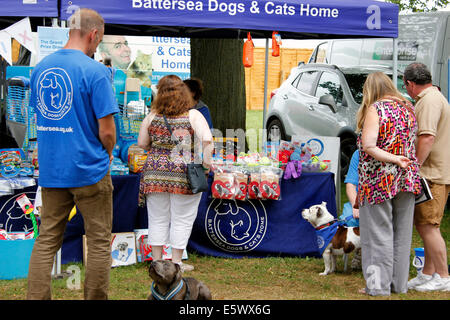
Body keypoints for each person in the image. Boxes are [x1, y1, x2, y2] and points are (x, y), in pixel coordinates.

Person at [27, 8, 118, 300]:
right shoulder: (97, 72)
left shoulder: (40, 69)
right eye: (98, 40)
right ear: (93, 35)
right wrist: (108, 154)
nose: (97, 47)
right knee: (99, 240)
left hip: (53, 169)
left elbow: (41, 118)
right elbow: (107, 132)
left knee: (47, 239)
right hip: (89, 169)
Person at [138, 75, 213, 272]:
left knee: (157, 218)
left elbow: (142, 144)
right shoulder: (193, 116)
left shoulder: (152, 116)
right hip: (184, 172)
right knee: (182, 218)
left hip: (155, 172)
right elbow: (207, 141)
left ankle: (157, 262)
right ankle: (176, 263)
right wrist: (205, 166)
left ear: (159, 94)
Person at [355, 71, 421, 296]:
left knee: (377, 234)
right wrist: (403, 161)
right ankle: (398, 285)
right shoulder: (408, 108)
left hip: (378, 180)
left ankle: (378, 286)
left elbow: (369, 146)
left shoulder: (376, 109)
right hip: (407, 178)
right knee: (402, 235)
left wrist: (394, 159)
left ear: (370, 91)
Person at [403, 62, 450, 292]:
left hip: (432, 173)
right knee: (425, 225)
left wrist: (414, 166)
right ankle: (428, 273)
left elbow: (427, 137)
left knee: (429, 226)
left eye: (407, 87)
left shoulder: (429, 101)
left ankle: (443, 276)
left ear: (410, 84)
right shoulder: (434, 97)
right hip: (435, 171)